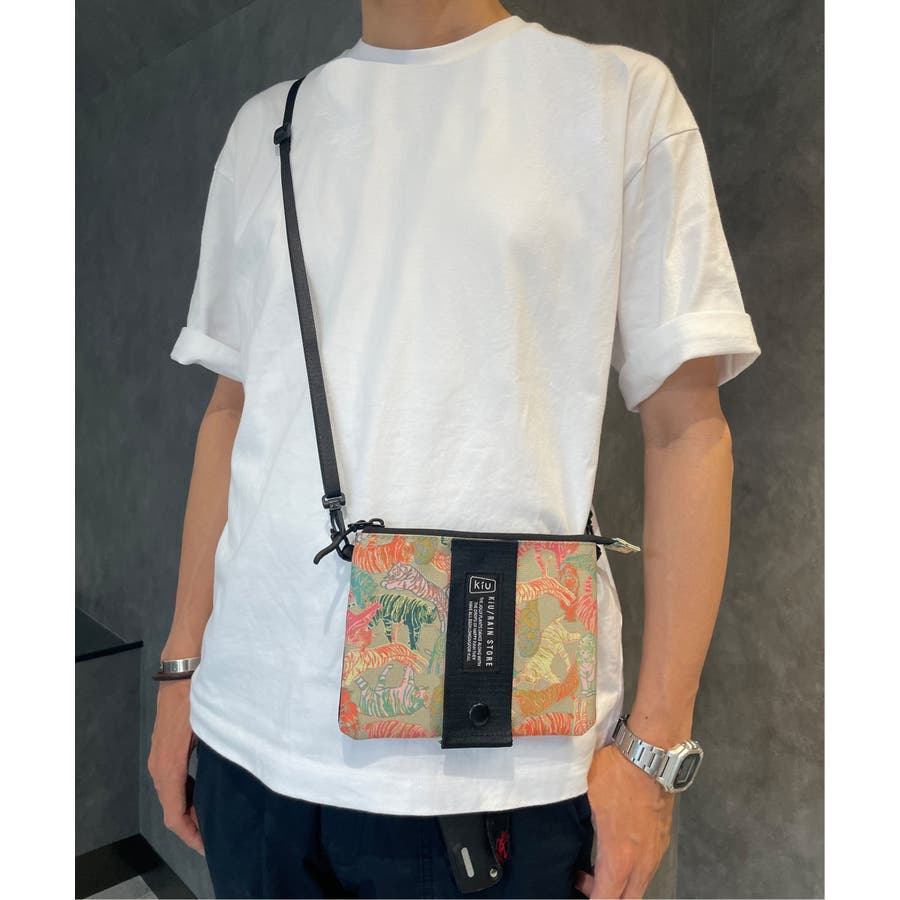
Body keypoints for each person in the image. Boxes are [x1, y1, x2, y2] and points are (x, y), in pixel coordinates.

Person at [148, 1, 761, 897]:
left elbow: (687, 431)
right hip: (247, 744)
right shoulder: (264, 128)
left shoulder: (619, 98)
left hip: (498, 779)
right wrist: (181, 671)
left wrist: (656, 751)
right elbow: (232, 411)